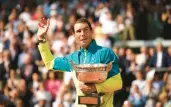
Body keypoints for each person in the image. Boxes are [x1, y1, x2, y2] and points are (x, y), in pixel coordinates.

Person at [37, 17, 122, 107]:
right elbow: (50, 63)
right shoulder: (73, 58)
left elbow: (117, 83)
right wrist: (41, 38)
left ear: (91, 32)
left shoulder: (105, 53)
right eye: (78, 31)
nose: (82, 34)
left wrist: (95, 88)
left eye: (86, 30)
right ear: (74, 35)